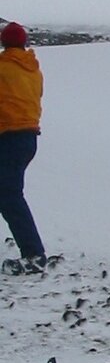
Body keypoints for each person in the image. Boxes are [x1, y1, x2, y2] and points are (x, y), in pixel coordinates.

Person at [0, 21, 47, 274]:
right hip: (29, 138)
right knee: (8, 194)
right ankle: (33, 251)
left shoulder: (2, 67)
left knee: (9, 196)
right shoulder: (34, 70)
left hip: (8, 137)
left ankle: (34, 255)